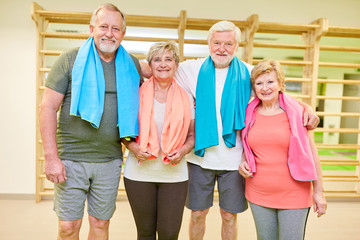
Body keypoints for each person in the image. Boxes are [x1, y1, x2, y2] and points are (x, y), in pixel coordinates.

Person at [139, 20, 320, 240]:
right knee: (197, 214)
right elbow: (150, 67)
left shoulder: (248, 72)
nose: (222, 48)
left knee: (228, 216)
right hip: (200, 158)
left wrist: (307, 107)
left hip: (234, 161)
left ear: (236, 46)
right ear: (209, 44)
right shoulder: (190, 69)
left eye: (228, 43)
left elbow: (275, 92)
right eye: (217, 43)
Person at [39, 4, 142, 240]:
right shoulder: (69, 60)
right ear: (91, 29)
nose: (109, 33)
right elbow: (47, 108)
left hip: (109, 160)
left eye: (116, 28)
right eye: (103, 26)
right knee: (68, 227)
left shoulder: (132, 66)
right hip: (70, 159)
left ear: (123, 34)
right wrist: (51, 158)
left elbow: (160, 76)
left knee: (100, 223)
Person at [238, 59, 327, 240]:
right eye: (259, 83)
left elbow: (312, 154)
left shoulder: (298, 113)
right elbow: (246, 146)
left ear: (280, 84)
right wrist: (242, 161)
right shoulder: (248, 112)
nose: (265, 88)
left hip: (295, 193)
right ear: (254, 88)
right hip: (259, 192)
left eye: (270, 82)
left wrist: (319, 192)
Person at [122, 41, 195, 240]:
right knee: (145, 233)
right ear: (150, 65)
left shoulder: (187, 97)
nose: (163, 64)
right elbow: (124, 132)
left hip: (174, 176)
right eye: (157, 59)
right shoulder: (136, 93)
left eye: (168, 59)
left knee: (169, 234)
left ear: (176, 65)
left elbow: (192, 135)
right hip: (139, 173)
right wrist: (134, 147)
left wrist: (183, 151)